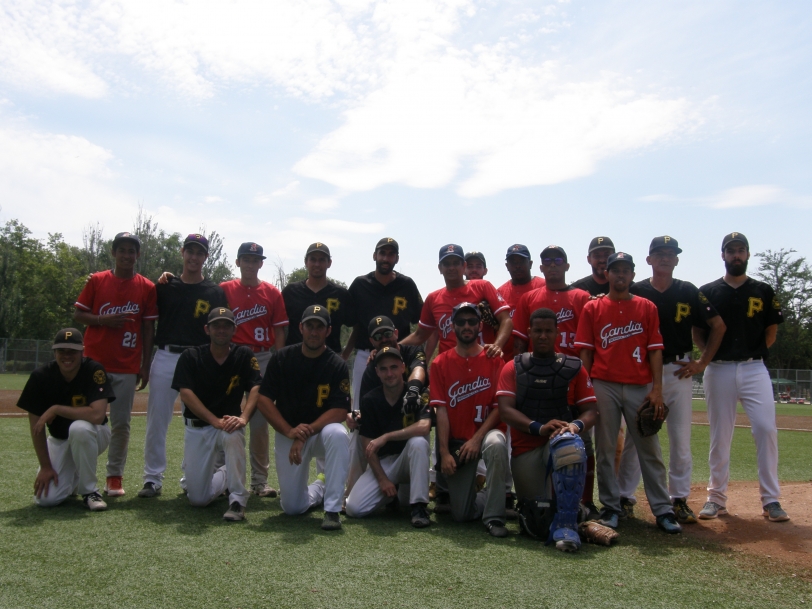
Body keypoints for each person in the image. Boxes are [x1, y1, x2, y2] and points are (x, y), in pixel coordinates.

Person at [616, 236, 726, 524]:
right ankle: (625, 497)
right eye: (659, 253)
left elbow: (718, 325)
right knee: (636, 438)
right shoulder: (636, 290)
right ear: (649, 259)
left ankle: (678, 499)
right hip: (642, 373)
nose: (665, 258)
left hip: (677, 370)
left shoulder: (688, 291)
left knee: (680, 440)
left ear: (676, 260)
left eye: (670, 254)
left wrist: (702, 362)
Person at [574, 252, 682, 534]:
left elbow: (655, 351)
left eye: (626, 270)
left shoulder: (646, 307)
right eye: (615, 270)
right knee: (606, 449)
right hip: (604, 383)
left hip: (639, 385)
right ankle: (611, 507)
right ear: (607, 275)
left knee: (649, 448)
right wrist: (585, 388)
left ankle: (663, 509)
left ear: (633, 275)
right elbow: (585, 351)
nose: (620, 275)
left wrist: (657, 389)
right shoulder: (593, 309)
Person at [697, 232, 789, 522]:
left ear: (748, 254)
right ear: (722, 255)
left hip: (753, 366)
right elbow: (698, 331)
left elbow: (771, 331)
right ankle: (716, 498)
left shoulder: (762, 289)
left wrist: (753, 351)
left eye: (741, 250)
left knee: (765, 429)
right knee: (720, 434)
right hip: (719, 367)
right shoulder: (708, 291)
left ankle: (771, 500)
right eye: (731, 250)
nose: (736, 255)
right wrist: (708, 355)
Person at [497, 308, 598, 551]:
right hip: (526, 450)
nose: (543, 336)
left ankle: (568, 526)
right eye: (538, 331)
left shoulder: (573, 367)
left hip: (560, 446)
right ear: (530, 332)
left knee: (570, 444)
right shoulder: (513, 366)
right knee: (537, 520)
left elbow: (592, 411)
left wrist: (574, 426)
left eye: (548, 331)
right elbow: (505, 410)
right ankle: (574, 511)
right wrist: (540, 428)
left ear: (557, 332)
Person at [139, 234, 228, 498]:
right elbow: (148, 323)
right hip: (166, 355)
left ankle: (194, 474)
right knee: (158, 420)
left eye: (199, 253)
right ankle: (152, 478)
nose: (194, 257)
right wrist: (144, 363)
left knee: (199, 422)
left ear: (206, 257)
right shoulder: (165, 286)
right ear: (182, 253)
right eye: (190, 251)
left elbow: (221, 330)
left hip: (199, 359)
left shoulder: (214, 291)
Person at [510, 245, 596, 517]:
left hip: (572, 375)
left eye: (559, 260)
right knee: (538, 436)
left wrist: (587, 375)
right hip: (536, 374)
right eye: (548, 261)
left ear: (567, 266)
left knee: (581, 442)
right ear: (542, 267)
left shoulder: (582, 297)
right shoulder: (530, 298)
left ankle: (585, 501)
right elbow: (520, 341)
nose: (553, 265)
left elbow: (588, 343)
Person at [73, 231, 158, 497]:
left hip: (126, 365)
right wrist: (101, 320)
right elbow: (78, 313)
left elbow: (148, 328)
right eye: (121, 250)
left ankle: (114, 476)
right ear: (113, 253)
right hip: (93, 364)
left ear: (137, 255)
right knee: (87, 421)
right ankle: (81, 474)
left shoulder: (147, 286)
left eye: (131, 251)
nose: (126, 255)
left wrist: (145, 364)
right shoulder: (98, 280)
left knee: (121, 423)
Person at [257, 305, 351, 530]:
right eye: (310, 326)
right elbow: (263, 400)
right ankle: (320, 487)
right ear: (301, 328)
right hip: (289, 433)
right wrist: (290, 432)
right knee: (292, 508)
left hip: (319, 434)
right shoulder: (282, 357)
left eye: (320, 327)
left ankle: (332, 509)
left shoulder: (337, 364)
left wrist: (305, 432)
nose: (314, 332)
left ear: (328, 331)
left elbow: (340, 410)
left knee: (338, 434)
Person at [171, 307, 261, 521]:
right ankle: (228, 474)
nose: (221, 330)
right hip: (199, 427)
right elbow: (186, 394)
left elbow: (256, 387)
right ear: (207, 329)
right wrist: (214, 421)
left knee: (233, 434)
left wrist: (244, 418)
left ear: (234, 330)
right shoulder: (191, 355)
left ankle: (238, 500)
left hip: (229, 425)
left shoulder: (244, 354)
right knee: (198, 500)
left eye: (226, 326)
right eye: (216, 326)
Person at [429, 302, 510, 537]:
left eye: (472, 321)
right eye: (461, 322)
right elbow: (441, 412)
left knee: (496, 444)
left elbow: (499, 409)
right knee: (461, 515)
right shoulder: (440, 363)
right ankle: (486, 497)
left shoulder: (494, 359)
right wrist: (444, 453)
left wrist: (477, 439)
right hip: (458, 443)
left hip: (485, 434)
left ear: (480, 325)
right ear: (452, 326)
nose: (467, 326)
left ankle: (495, 517)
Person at [17, 328, 116, 511]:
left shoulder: (93, 370)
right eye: (61, 351)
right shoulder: (40, 376)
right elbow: (36, 428)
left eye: (72, 351)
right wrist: (45, 466)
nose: (66, 356)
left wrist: (56, 409)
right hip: (60, 440)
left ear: (82, 351)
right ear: (54, 352)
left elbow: (97, 415)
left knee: (79, 429)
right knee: (45, 499)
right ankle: (73, 476)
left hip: (94, 434)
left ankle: (89, 491)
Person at [220, 241, 288, 499]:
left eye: (254, 260)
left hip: (263, 356)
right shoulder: (224, 289)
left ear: (261, 264)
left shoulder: (271, 292)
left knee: (259, 424)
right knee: (226, 416)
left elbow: (279, 330)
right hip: (232, 356)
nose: (250, 264)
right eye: (245, 259)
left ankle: (260, 481)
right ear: (237, 262)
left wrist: (278, 362)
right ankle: (224, 478)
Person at [345, 347, 432, 527]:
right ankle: (392, 496)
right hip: (384, 463)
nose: (389, 373)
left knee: (418, 443)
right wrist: (383, 479)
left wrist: (387, 436)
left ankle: (419, 507)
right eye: (383, 369)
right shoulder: (370, 399)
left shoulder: (417, 393)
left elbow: (424, 426)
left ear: (403, 367)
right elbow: (367, 444)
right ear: (377, 372)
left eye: (393, 367)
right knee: (354, 508)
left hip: (409, 462)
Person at [347, 238, 423, 409]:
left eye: (391, 254)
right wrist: (345, 354)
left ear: (397, 258)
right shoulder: (360, 285)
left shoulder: (407, 285)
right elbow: (353, 324)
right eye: (382, 253)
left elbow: (424, 324)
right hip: (365, 356)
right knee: (359, 411)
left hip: (398, 356)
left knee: (400, 408)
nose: (386, 258)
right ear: (374, 256)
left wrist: (402, 348)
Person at [401, 244, 512, 357]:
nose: (451, 268)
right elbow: (420, 336)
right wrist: (394, 347)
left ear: (464, 266)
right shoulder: (433, 298)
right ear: (440, 268)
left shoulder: (482, 287)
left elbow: (506, 320)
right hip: (448, 366)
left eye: (456, 263)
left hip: (482, 361)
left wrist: (497, 345)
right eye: (447, 264)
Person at [282, 242, 354, 358]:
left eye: (322, 260)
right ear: (306, 262)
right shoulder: (290, 292)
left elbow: (356, 325)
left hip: (330, 360)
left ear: (329, 263)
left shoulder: (341, 294)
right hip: (295, 359)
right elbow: (278, 326)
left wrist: (345, 354)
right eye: (313, 259)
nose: (317, 264)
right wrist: (281, 355)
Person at [495, 244, 546, 363]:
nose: (517, 266)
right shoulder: (500, 293)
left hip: (540, 356)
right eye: (513, 262)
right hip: (507, 358)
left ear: (530, 263)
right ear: (507, 266)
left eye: (521, 261)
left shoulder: (543, 286)